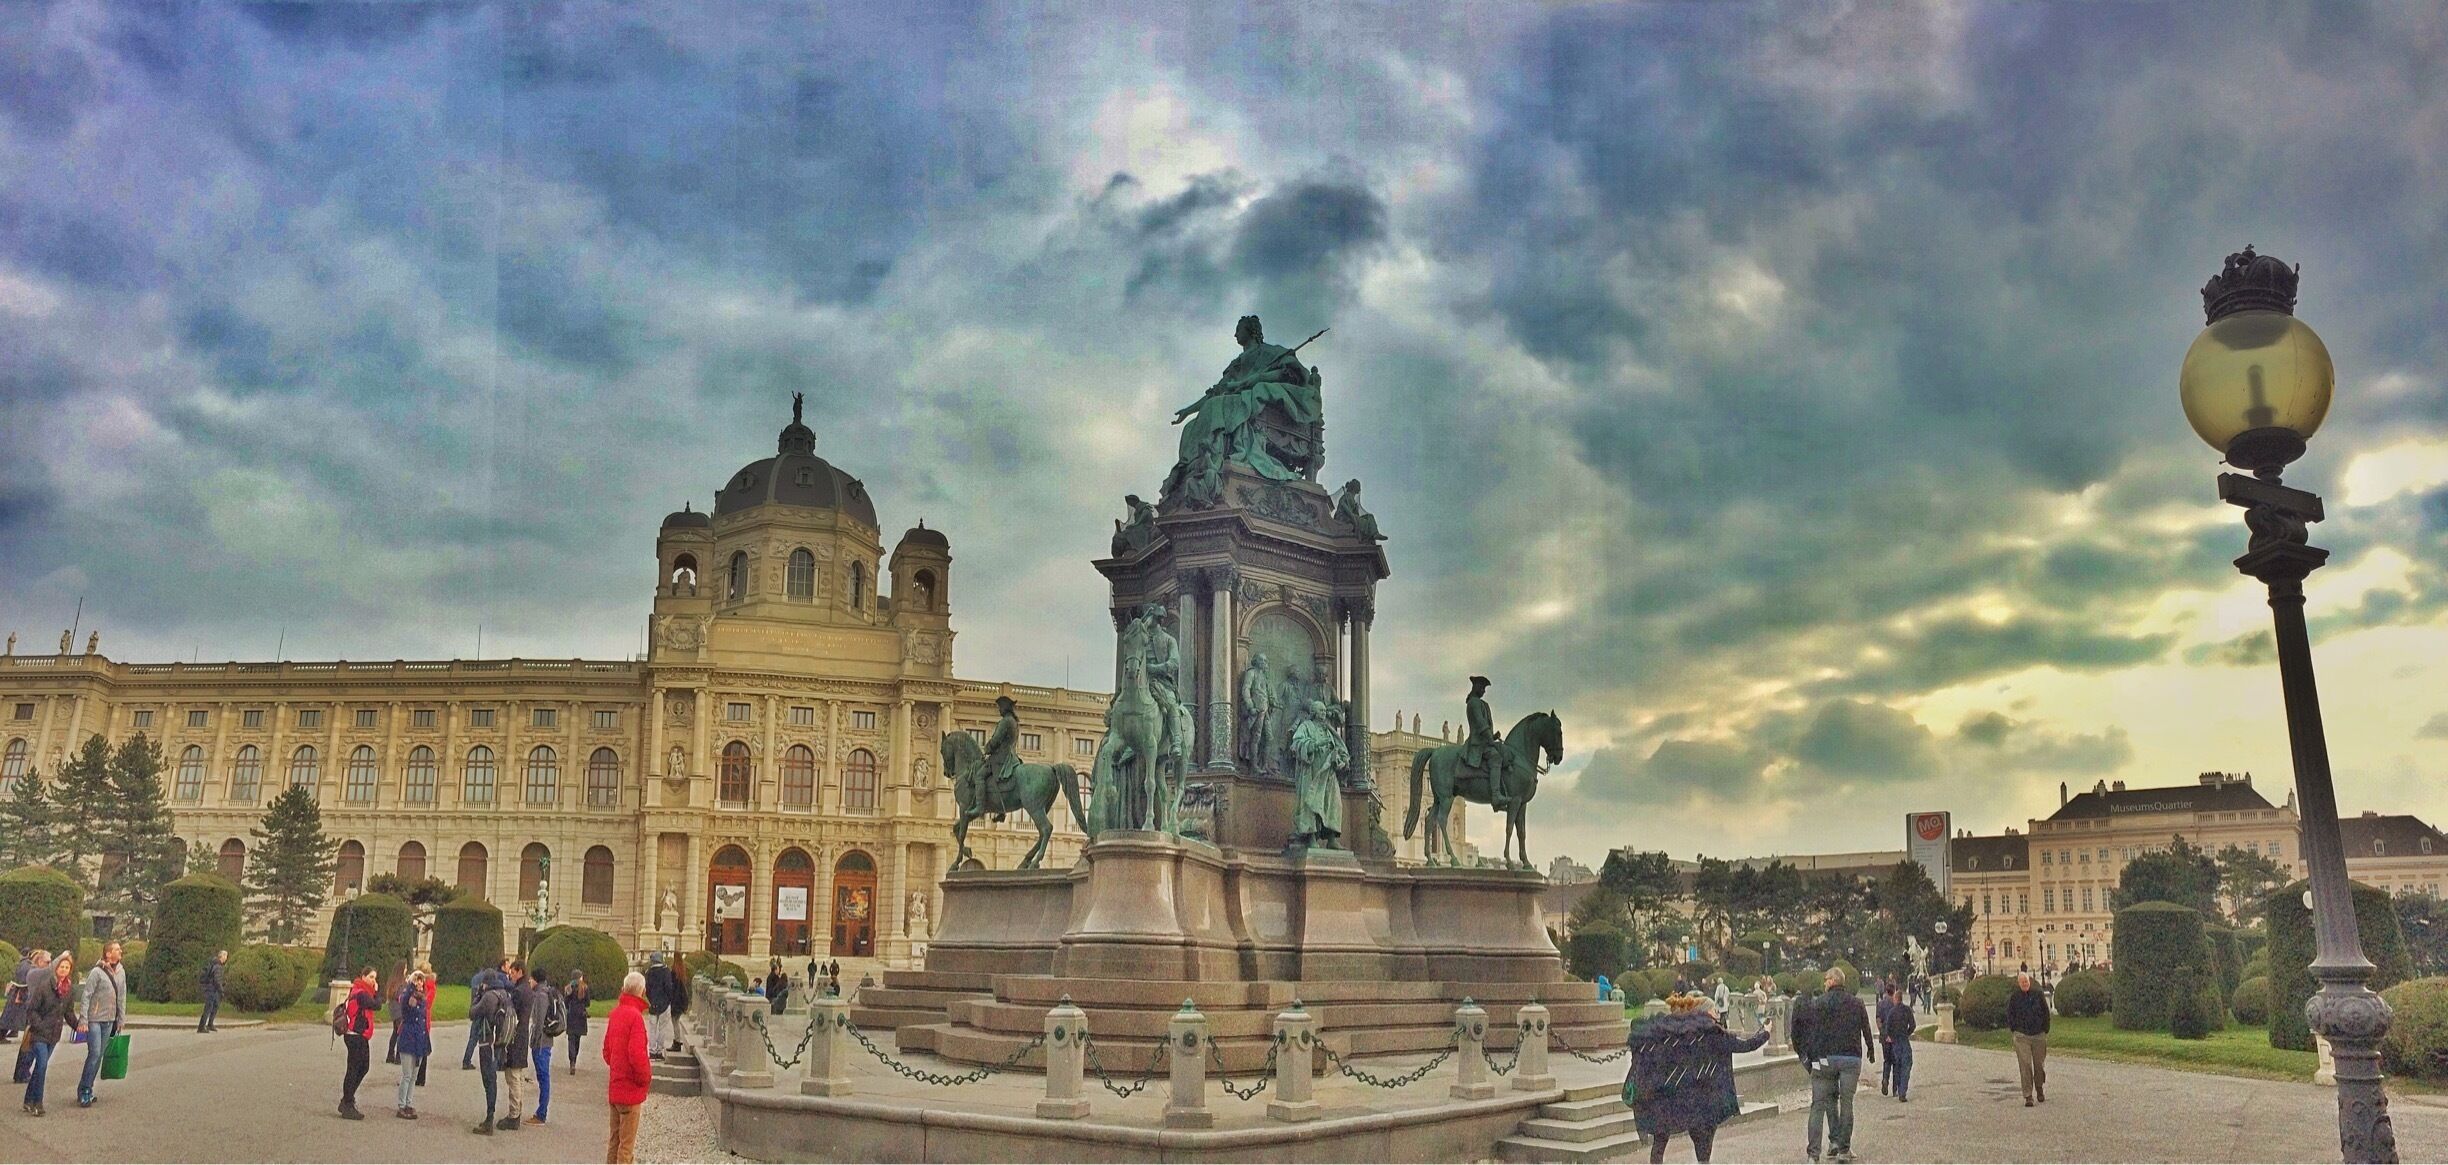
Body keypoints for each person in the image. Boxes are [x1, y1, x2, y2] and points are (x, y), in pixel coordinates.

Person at [1625, 993, 1772, 1164]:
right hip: (1701, 1098)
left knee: (1661, 1137)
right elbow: (1745, 1045)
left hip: (1671, 1093)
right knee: (1703, 1138)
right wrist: (1765, 1033)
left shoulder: (1675, 1031)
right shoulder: (1712, 1033)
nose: (1717, 1011)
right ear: (1707, 1012)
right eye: (1714, 1008)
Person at [1791, 966, 1874, 1164]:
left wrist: (1808, 1057)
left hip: (1824, 1059)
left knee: (1818, 1105)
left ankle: (1813, 1154)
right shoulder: (1857, 1003)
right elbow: (1866, 1028)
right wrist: (1870, 1050)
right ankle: (1843, 1149)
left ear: (1832, 981)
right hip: (1850, 1059)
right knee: (1846, 1103)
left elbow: (1809, 1032)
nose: (1824, 983)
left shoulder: (1818, 1003)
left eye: (1826, 979)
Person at [603, 971, 652, 1164]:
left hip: (616, 1084)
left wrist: (616, 1065)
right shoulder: (635, 1017)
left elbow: (607, 1050)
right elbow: (637, 1055)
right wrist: (645, 1079)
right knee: (626, 1147)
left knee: (614, 1141)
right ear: (642, 991)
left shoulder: (616, 1013)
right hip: (630, 1088)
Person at [18, 952, 75, 1116]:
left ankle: (28, 1100)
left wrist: (78, 1026)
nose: (63, 970)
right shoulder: (45, 986)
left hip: (53, 1035)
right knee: (42, 1065)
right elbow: (32, 1010)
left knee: (39, 1069)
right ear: (56, 969)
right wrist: (40, 1025)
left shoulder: (68, 990)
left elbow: (68, 1012)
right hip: (39, 1034)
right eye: (61, 967)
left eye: (67, 967)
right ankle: (38, 1103)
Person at [76, 939, 129, 1109]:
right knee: (95, 1052)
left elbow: (122, 996)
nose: (120, 952)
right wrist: (83, 1018)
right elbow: (86, 995)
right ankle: (84, 1089)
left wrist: (121, 1018)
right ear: (108, 953)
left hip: (110, 1019)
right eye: (117, 949)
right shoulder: (97, 972)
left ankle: (88, 1087)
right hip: (94, 1019)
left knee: (99, 1056)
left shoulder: (121, 971)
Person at [468, 967, 517, 1136]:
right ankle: (490, 1114)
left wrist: (476, 996)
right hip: (500, 1042)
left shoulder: (489, 996)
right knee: (492, 1078)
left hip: (487, 1042)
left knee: (488, 1080)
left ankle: (489, 1118)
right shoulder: (504, 994)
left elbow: (473, 1013)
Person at [338, 966, 379, 1119]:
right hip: (355, 1034)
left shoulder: (361, 991)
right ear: (363, 977)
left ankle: (347, 1098)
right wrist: (377, 991)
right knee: (354, 1068)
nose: (373, 980)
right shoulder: (360, 992)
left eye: (375, 978)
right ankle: (347, 1102)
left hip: (360, 1034)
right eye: (370, 977)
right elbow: (377, 1004)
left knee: (363, 1067)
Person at [2007, 971, 2051, 1106]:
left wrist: (2045, 1029)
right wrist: (2014, 1029)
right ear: (2019, 984)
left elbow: (2045, 1012)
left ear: (2029, 982)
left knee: (2039, 1065)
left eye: (2026, 981)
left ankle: (2039, 1088)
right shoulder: (2015, 997)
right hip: (2022, 1036)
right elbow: (2010, 1014)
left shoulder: (2037, 994)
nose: (2024, 984)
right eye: (2022, 982)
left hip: (2038, 1034)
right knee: (2025, 1065)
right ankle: (2028, 1095)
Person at [393, 968, 431, 1119]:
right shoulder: (409, 996)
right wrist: (411, 988)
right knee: (407, 1075)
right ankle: (402, 1105)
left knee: (414, 1076)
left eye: (422, 980)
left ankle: (409, 1103)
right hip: (408, 1038)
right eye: (417, 980)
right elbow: (406, 1005)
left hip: (419, 1039)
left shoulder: (422, 998)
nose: (420, 983)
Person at [524, 965, 558, 1126]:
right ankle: (541, 1111)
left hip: (541, 1041)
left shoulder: (540, 996)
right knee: (543, 1076)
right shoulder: (545, 992)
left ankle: (541, 1113)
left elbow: (538, 1021)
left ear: (536, 980)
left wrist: (534, 1041)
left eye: (531, 978)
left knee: (544, 1077)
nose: (529, 981)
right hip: (545, 1040)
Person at [1877, 985, 1916, 1102]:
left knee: (1889, 1061)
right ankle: (1899, 1090)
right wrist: (1907, 1033)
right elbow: (1913, 1025)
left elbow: (1883, 1024)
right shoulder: (1907, 1009)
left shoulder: (1885, 1007)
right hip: (1903, 1038)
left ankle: (1885, 1079)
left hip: (1891, 1039)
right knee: (1903, 1065)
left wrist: (1887, 1036)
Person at [643, 953, 676, 1061]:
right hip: (664, 1004)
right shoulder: (665, 972)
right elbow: (668, 987)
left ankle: (652, 1051)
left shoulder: (649, 973)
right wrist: (669, 999)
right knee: (662, 1028)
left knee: (652, 1029)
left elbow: (647, 989)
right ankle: (659, 1050)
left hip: (653, 1004)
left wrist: (652, 1000)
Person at [564, 969, 592, 1074]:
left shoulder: (568, 987)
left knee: (571, 1039)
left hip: (571, 1014)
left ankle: (572, 1061)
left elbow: (565, 1002)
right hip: (581, 1015)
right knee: (577, 1039)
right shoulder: (584, 987)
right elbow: (588, 1003)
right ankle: (574, 1058)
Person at [197, 949, 228, 1033]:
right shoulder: (218, 965)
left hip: (211, 988)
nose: (226, 958)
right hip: (212, 989)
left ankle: (210, 1024)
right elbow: (217, 980)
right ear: (222, 956)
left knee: (215, 1006)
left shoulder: (215, 964)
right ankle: (201, 1027)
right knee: (208, 1007)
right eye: (225, 956)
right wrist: (221, 990)